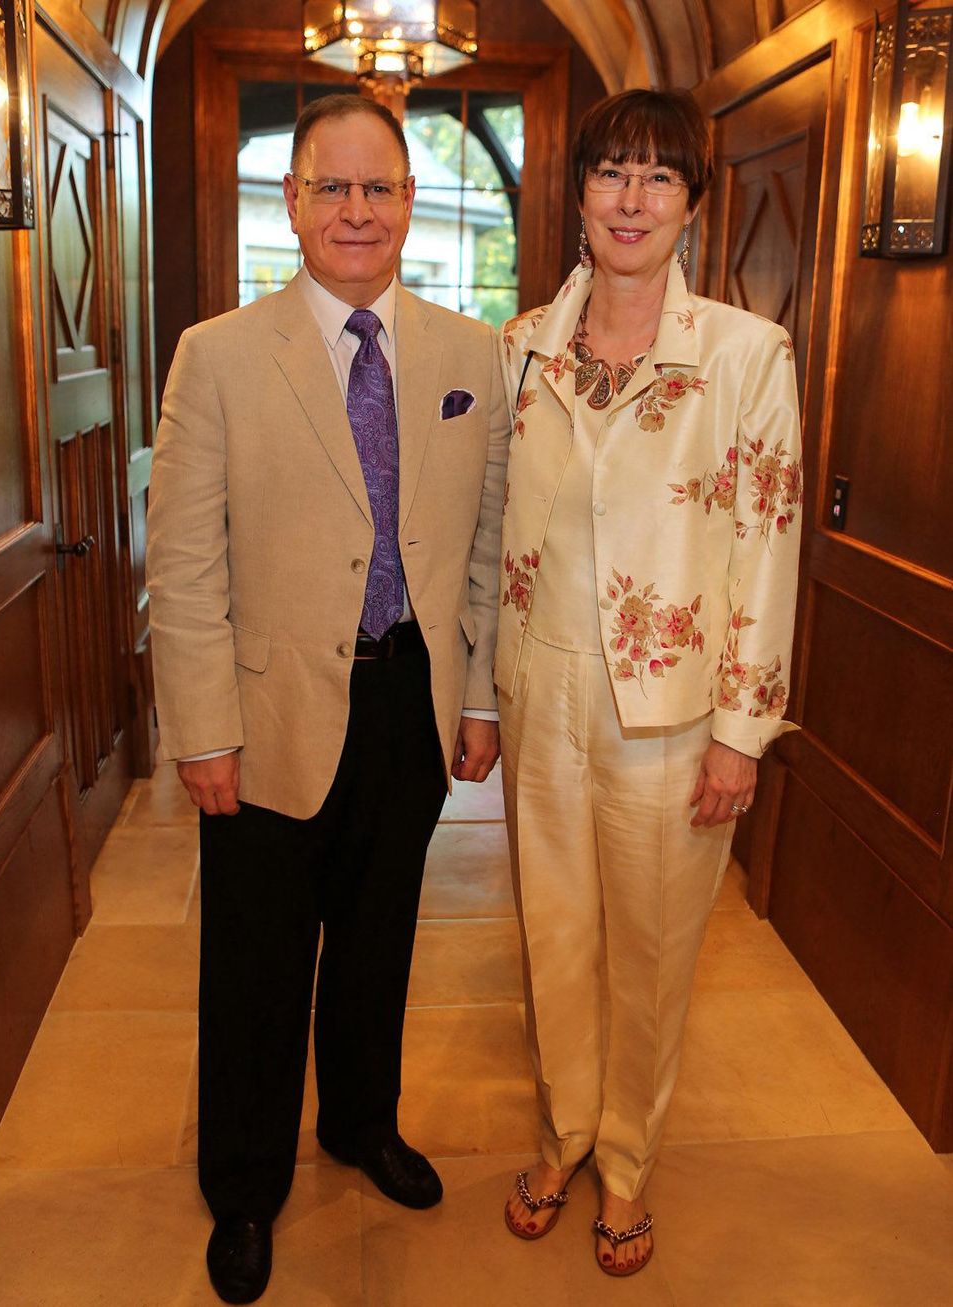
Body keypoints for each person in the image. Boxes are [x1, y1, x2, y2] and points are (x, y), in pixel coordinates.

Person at [147, 94, 508, 1305]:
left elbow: (487, 538)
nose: (357, 210)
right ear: (293, 202)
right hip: (267, 715)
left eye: (380, 188)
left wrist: (480, 696)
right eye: (332, 187)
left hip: (409, 696)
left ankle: (362, 1123)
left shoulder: (469, 355)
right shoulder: (219, 353)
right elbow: (185, 563)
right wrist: (202, 727)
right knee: (255, 962)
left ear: (410, 202)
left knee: (378, 938)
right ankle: (244, 1185)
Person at [496, 89, 802, 1278]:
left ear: (689, 205)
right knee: (552, 934)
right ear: (575, 194)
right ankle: (558, 1129)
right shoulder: (519, 345)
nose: (630, 198)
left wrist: (741, 730)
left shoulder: (742, 353)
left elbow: (768, 546)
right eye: (610, 173)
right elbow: (491, 538)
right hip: (541, 691)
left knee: (654, 950)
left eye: (657, 178)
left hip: (672, 708)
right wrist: (483, 692)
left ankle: (624, 1160)